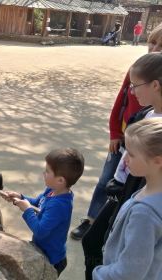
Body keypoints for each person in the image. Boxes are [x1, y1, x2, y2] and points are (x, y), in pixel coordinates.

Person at [70, 22, 162, 241]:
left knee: (128, 188)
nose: (155, 48)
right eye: (152, 42)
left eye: (161, 44)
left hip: (146, 150)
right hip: (124, 139)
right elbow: (121, 102)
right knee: (106, 182)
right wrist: (114, 133)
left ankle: (111, 227)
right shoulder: (138, 71)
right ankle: (92, 220)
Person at [83, 51, 162, 280]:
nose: (132, 92)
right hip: (128, 187)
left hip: (135, 188)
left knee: (103, 243)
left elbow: (133, 268)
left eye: (136, 86)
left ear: (155, 85)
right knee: (104, 239)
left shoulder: (147, 212)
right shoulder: (143, 114)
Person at [92, 117, 162, 280]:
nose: (125, 159)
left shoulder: (144, 214)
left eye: (131, 154)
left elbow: (129, 272)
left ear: (157, 161)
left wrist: (99, 274)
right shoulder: (151, 192)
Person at [2, 148, 85, 276]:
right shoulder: (51, 191)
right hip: (42, 249)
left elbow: (40, 231)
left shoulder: (59, 206)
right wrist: (20, 197)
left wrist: (27, 210)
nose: (43, 173)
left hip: (51, 259)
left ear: (60, 180)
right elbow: (37, 202)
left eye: (47, 171)